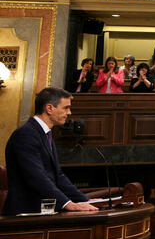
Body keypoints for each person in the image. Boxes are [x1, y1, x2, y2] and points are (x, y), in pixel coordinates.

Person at [2, 87, 99, 215]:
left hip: (42, 212)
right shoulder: (26, 134)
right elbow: (37, 177)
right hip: (24, 214)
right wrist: (68, 204)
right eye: (66, 108)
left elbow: (58, 176)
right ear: (49, 108)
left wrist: (85, 201)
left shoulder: (45, 133)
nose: (69, 112)